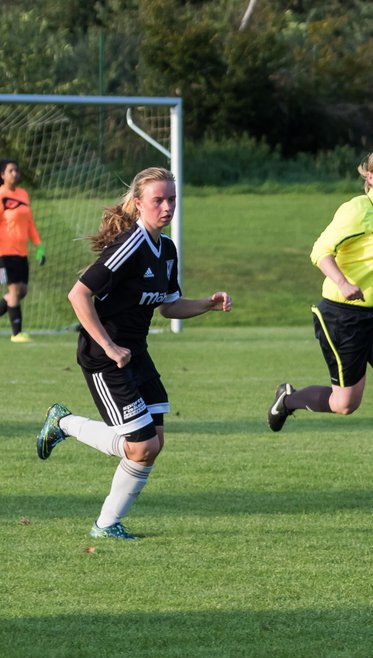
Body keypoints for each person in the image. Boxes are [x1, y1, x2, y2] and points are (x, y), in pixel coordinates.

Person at [35, 167, 232, 539]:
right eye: (158, 200)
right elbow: (78, 294)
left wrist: (207, 304)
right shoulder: (130, 245)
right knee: (140, 447)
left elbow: (169, 306)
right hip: (104, 353)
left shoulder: (167, 250)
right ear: (138, 203)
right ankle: (63, 425)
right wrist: (109, 346)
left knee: (153, 442)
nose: (167, 206)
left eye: (172, 199)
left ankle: (108, 525)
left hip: (135, 352)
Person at [266, 142, 373, 486]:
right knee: (345, 403)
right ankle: (288, 400)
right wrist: (343, 283)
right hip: (342, 316)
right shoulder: (357, 210)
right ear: (370, 176)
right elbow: (320, 252)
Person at [0, 158, 46, 343]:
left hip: (22, 252)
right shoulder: (1, 194)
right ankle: (17, 333)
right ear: (2, 175)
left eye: (16, 170)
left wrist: (39, 246)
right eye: (10, 171)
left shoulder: (23, 194)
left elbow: (30, 224)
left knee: (22, 291)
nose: (15, 173)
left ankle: (16, 330)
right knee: (14, 290)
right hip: (4, 252)